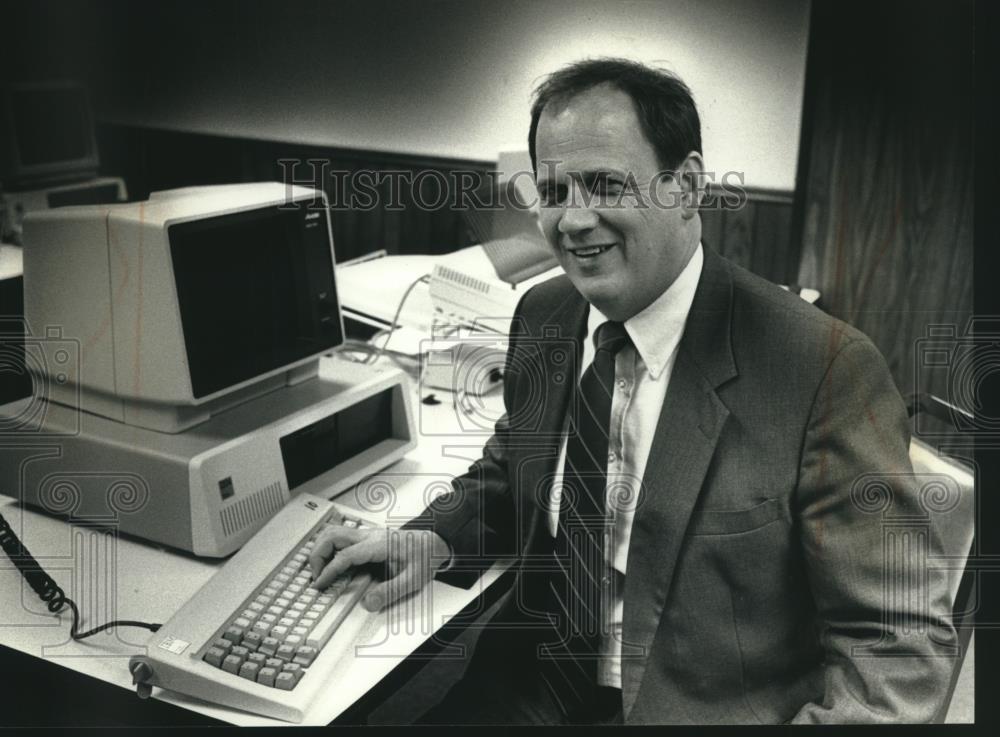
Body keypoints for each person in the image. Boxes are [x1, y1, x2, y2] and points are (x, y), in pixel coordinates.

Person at [309, 58, 957, 724]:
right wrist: (432, 539)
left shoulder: (821, 367)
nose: (574, 219)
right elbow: (513, 472)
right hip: (526, 686)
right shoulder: (545, 315)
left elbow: (897, 643)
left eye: (605, 184)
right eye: (554, 190)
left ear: (686, 186)